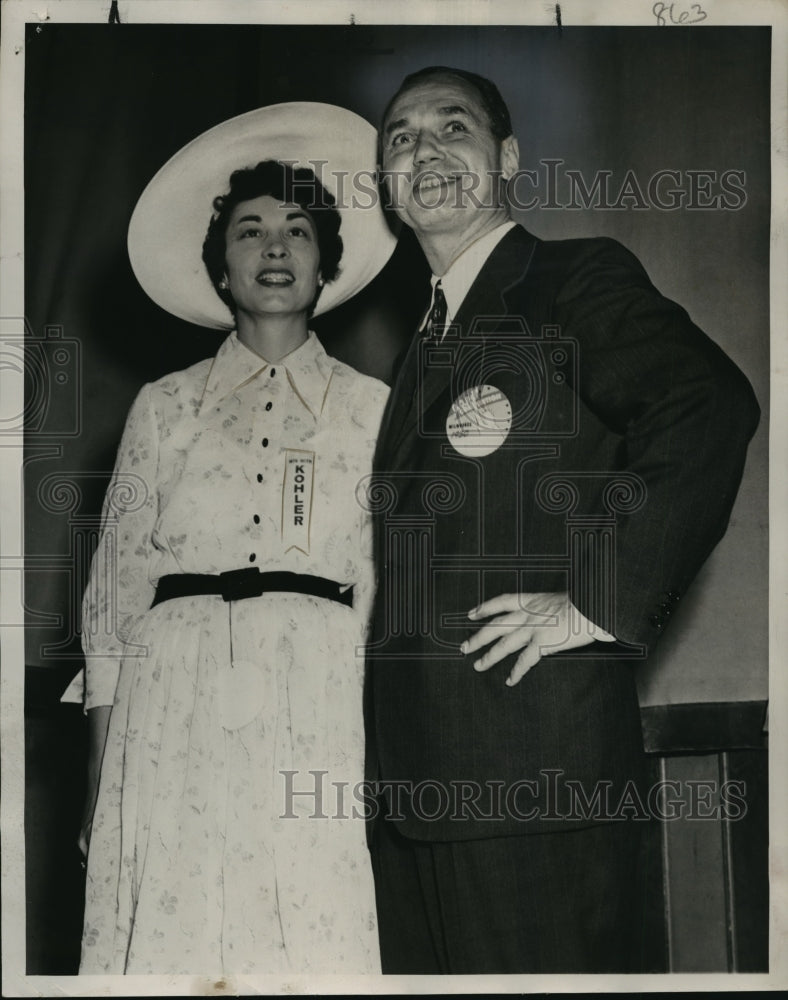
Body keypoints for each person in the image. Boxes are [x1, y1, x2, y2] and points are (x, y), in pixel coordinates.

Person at [366, 65, 761, 974]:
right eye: (400, 136)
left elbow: (708, 406)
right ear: (385, 185)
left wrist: (593, 599)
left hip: (530, 778)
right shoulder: (416, 356)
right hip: (418, 797)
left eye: (451, 127)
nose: (423, 149)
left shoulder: (568, 279)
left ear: (506, 157)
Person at [61, 103, 395, 974]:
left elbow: (378, 589)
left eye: (297, 230)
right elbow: (116, 598)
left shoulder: (372, 411)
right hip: (170, 710)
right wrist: (102, 781)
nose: (275, 249)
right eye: (250, 232)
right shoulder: (163, 408)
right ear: (219, 269)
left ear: (327, 264)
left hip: (315, 707)